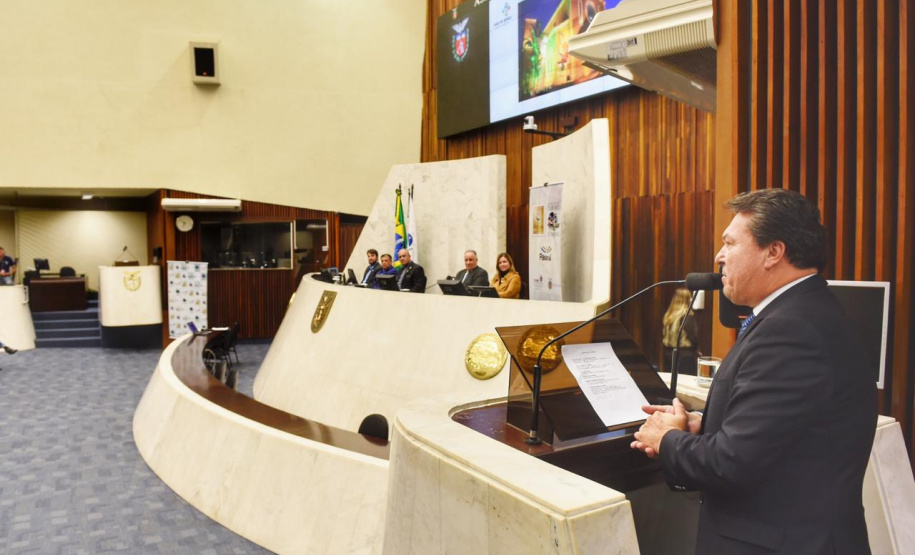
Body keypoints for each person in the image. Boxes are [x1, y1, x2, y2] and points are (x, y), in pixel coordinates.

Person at [631, 189, 877, 554]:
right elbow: (781, 431)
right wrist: (703, 424)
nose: (719, 256)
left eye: (730, 243)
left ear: (773, 252)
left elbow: (731, 463)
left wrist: (665, 438)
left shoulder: (791, 331)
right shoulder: (803, 312)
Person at [661, 288, 698, 374]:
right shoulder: (686, 317)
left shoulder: (668, 316)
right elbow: (692, 337)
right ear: (687, 300)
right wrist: (697, 349)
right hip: (685, 357)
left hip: (669, 355)